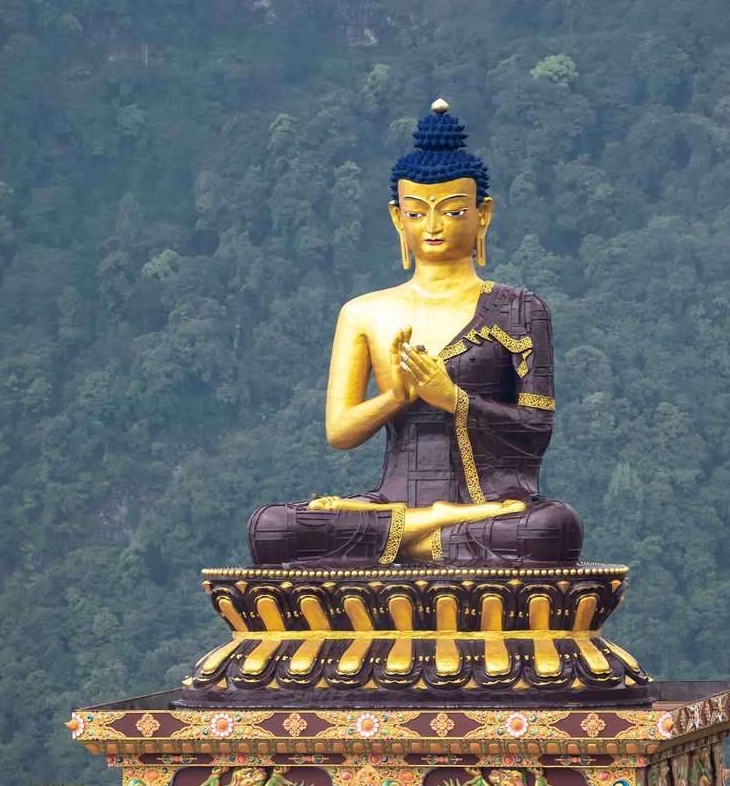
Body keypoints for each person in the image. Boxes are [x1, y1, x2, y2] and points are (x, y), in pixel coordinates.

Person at [248, 102, 582, 566]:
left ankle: (408, 538)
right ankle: (426, 529)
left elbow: (537, 428)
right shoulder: (365, 312)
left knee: (553, 529)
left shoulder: (521, 309)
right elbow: (340, 432)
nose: (434, 226)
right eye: (418, 212)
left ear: (482, 214)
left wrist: (453, 399)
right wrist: (396, 397)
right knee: (272, 528)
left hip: (493, 507)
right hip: (397, 501)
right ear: (396, 217)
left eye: (452, 210)